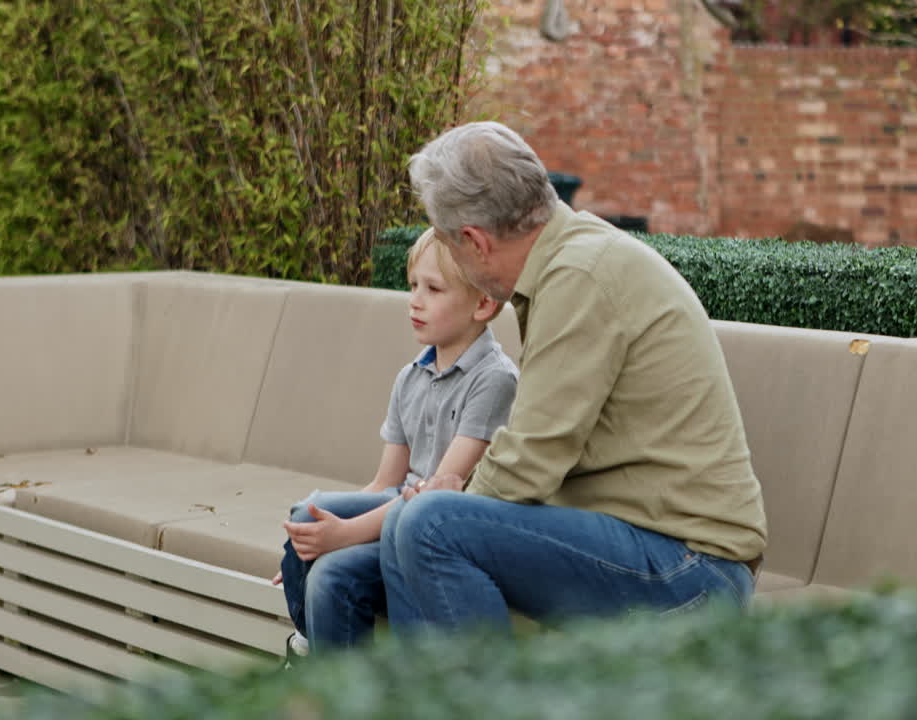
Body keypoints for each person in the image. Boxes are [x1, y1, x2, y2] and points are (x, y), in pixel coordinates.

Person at [379, 121, 767, 633]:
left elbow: (530, 462)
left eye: (448, 246)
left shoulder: (578, 276)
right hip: (639, 546)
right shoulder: (572, 260)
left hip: (692, 572)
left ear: (474, 241)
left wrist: (452, 500)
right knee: (410, 523)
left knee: (430, 525)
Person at [271, 228, 518, 656]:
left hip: (435, 524)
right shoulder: (411, 376)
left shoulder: (494, 379)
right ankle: (307, 647)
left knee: (331, 575)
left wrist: (343, 534)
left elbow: (437, 490)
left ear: (483, 304)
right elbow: (385, 482)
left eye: (434, 289)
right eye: (413, 286)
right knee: (304, 515)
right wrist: (308, 542)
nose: (415, 300)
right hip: (396, 509)